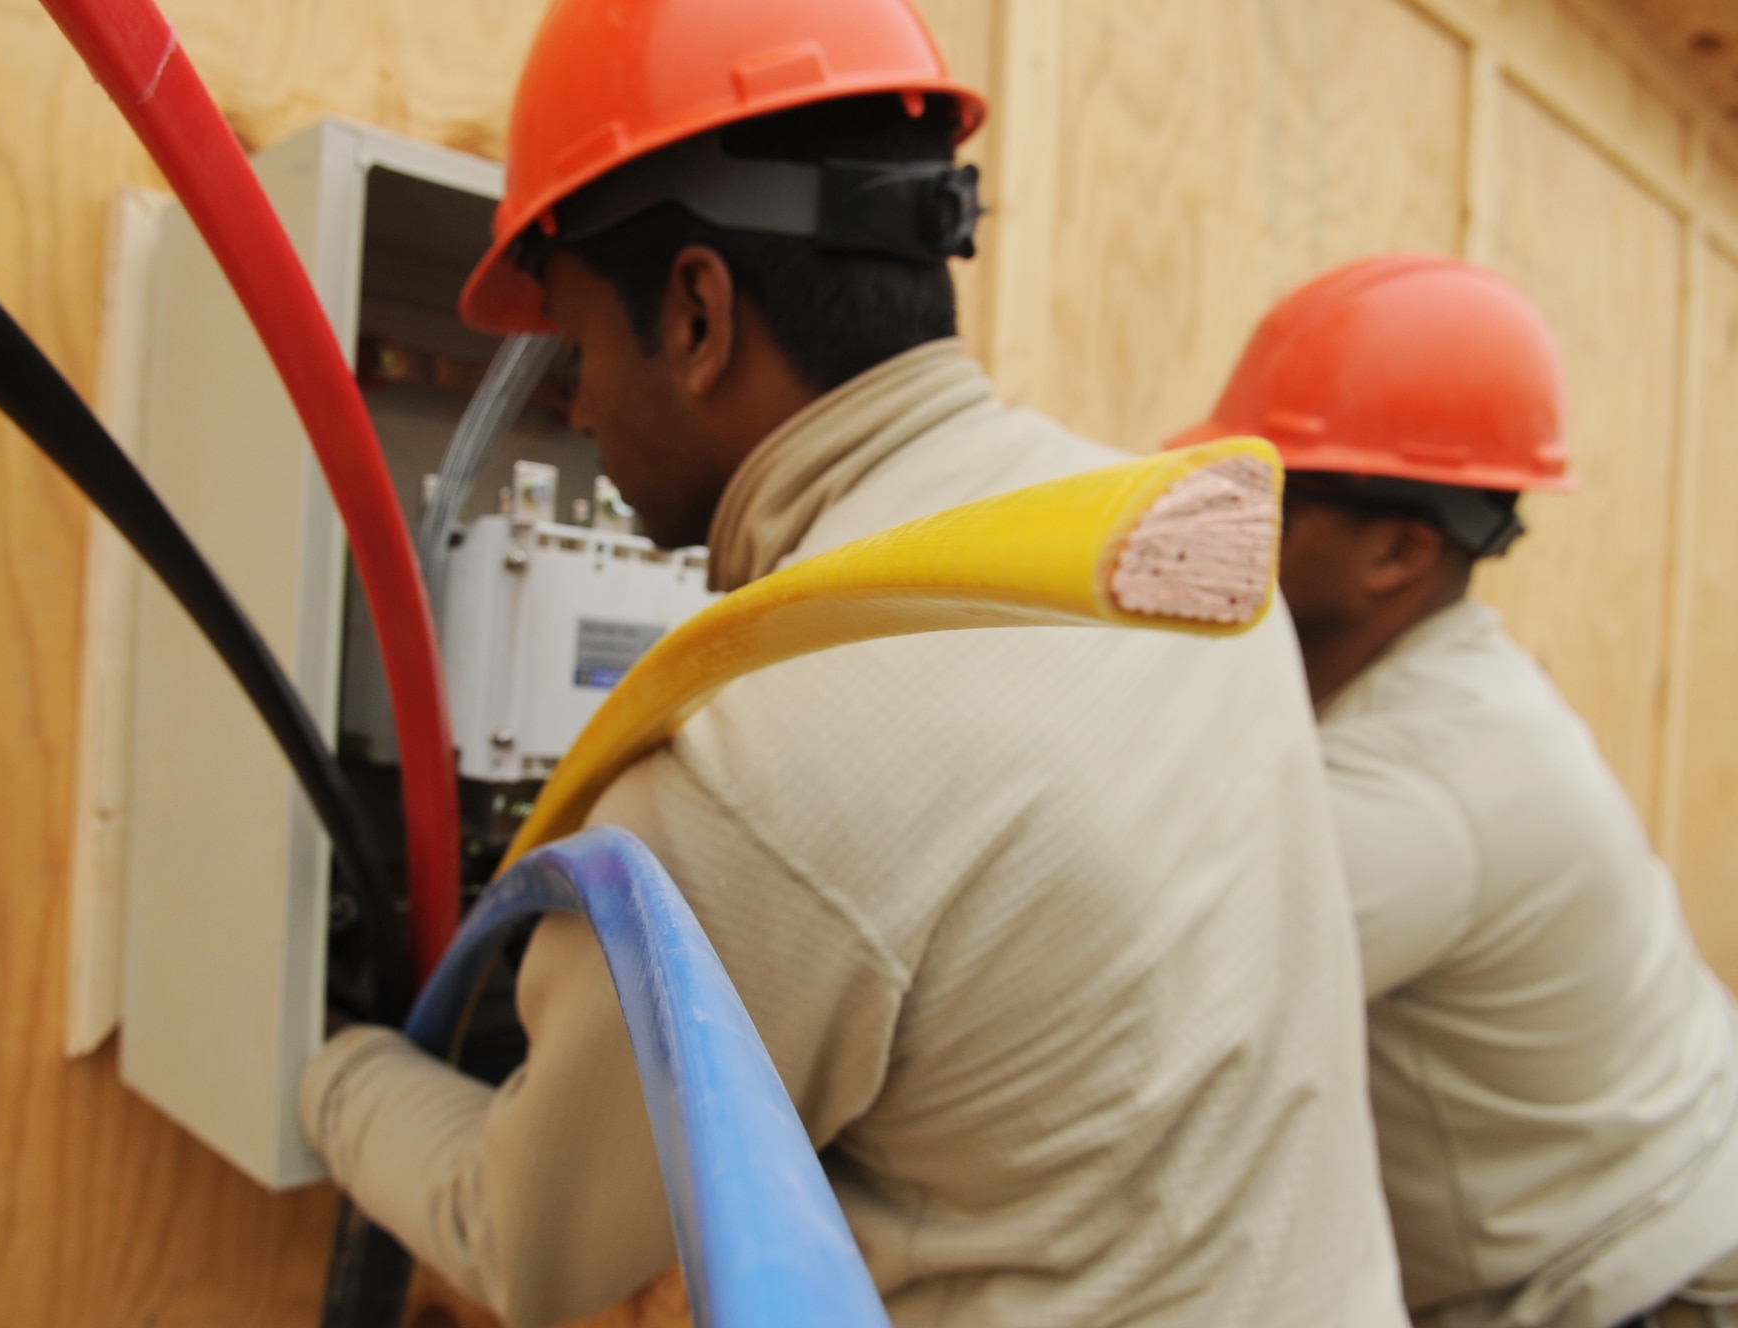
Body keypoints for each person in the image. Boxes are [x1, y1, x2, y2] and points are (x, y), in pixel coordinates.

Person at [300, 3, 1408, 1325]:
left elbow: (532, 1244)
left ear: (699, 314)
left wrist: (332, 1069)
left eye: (578, 348)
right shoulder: (1164, 543)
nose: (579, 406)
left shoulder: (752, 768)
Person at [1166, 253, 1738, 1328]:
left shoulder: (1420, 782)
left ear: (1395, 549)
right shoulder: (1424, 692)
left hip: (1636, 1286)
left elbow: (1141, 1018)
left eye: (1260, 496)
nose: (1215, 519)